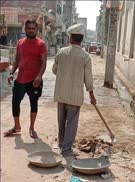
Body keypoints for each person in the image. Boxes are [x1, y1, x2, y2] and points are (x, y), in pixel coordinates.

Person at [52, 23, 96, 156]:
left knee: (61, 120)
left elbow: (54, 70)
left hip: (61, 94)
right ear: (81, 39)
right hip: (75, 96)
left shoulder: (61, 52)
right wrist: (91, 95)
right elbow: (88, 79)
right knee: (71, 123)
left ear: (71, 38)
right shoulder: (86, 57)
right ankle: (66, 149)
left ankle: (61, 143)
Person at [4, 20, 47, 138]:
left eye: (33, 28)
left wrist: (39, 76)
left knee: (34, 103)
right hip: (21, 79)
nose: (31, 30)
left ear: (37, 30)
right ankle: (16, 126)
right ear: (25, 29)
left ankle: (32, 128)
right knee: (15, 102)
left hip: (34, 80)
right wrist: (11, 72)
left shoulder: (41, 44)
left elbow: (44, 62)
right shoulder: (20, 43)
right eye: (29, 28)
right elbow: (17, 60)